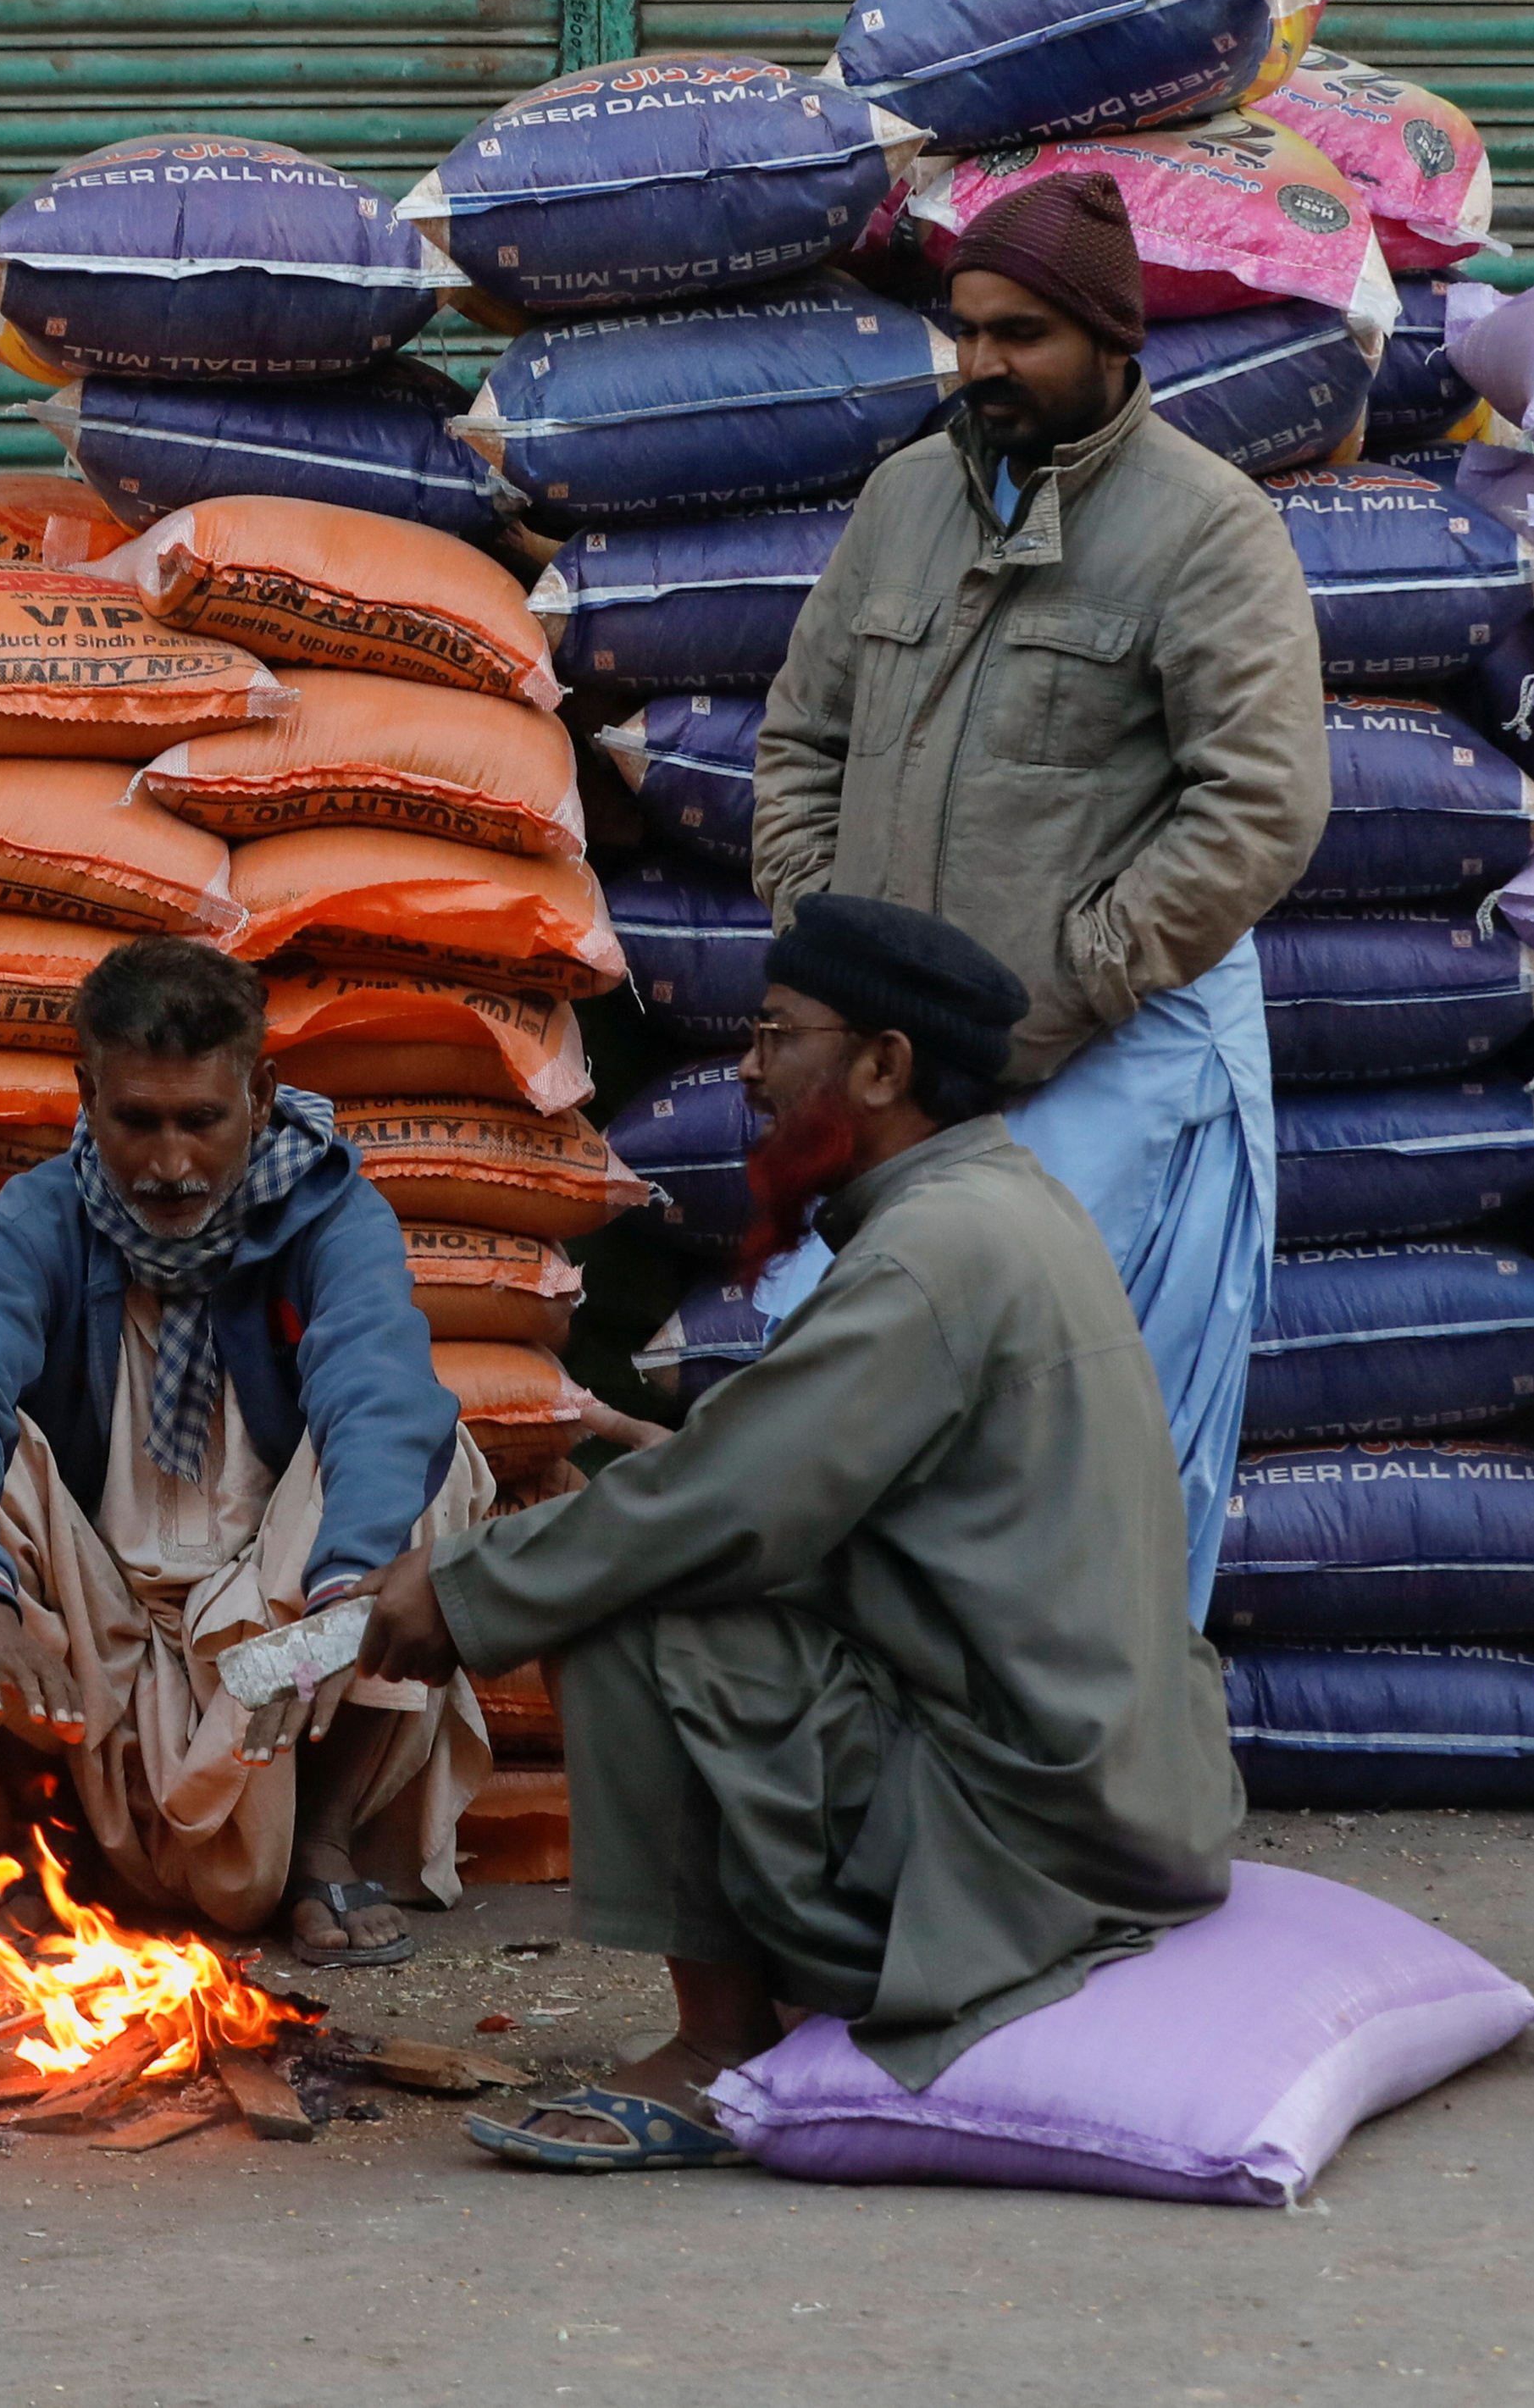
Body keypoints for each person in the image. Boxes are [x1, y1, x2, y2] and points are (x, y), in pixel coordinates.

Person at [351, 893, 1242, 2171]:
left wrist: (466, 1589)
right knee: (639, 1532)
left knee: (627, 1589)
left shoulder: (929, 1256)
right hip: (1122, 1788)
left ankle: (716, 2047)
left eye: (778, 1037)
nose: (752, 1075)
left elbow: (724, 1515)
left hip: (1032, 1839)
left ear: (883, 1064)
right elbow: (825, 1490)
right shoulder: (1008, 1206)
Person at [752, 166, 1328, 1618]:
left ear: (1112, 344)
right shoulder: (901, 502)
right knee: (870, 1410)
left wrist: (1064, 986)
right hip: (906, 1069)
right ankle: (908, 1777)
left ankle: (1097, 1792)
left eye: (1025, 335)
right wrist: (835, 949)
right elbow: (801, 737)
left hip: (1115, 1059)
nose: (986, 363)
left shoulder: (1208, 527)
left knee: (1088, 1448)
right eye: (969, 328)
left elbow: (1261, 806)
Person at [0, 938, 494, 1968]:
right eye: (135, 1120)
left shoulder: (330, 1214)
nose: (168, 1163)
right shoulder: (35, 1221)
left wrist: (343, 1593)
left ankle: (320, 1843)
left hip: (279, 1603)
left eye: (201, 1119)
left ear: (259, 1091)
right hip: (98, 1611)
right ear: (85, 1094)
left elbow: (375, 1386)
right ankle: (45, 1855)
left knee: (432, 1450)